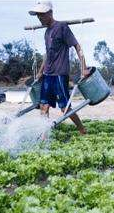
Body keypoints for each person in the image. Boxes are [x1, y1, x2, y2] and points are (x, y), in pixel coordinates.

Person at [29, 1, 89, 135]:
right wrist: (40, 72)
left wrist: (83, 68)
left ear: (50, 13)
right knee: (43, 106)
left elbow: (77, 47)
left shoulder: (62, 27)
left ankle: (82, 129)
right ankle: (44, 135)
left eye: (42, 15)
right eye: (38, 15)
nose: (40, 18)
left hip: (60, 74)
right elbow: (47, 54)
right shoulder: (46, 32)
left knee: (65, 108)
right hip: (47, 74)